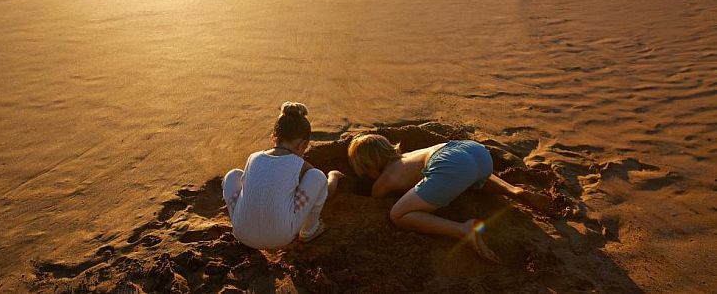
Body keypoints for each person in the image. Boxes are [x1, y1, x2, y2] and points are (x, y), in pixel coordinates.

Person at [348, 134, 554, 262]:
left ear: (367, 167)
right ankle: (513, 191)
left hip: (449, 164)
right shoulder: (408, 156)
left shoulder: (386, 177)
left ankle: (463, 230)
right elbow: (460, 164)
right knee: (469, 174)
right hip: (472, 150)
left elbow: (374, 198)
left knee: (398, 214)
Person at [222, 101, 342, 249]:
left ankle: (244, 219)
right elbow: (325, 190)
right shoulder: (299, 164)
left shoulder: (253, 158)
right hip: (280, 237)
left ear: (273, 137)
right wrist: (333, 176)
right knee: (317, 176)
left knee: (232, 175)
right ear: (303, 145)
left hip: (241, 232)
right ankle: (309, 231)